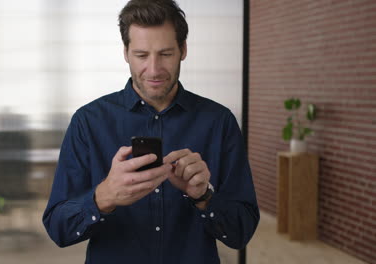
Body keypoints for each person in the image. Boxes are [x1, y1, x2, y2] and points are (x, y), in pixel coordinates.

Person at [42, 0, 259, 263]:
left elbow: (241, 232)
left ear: (183, 50)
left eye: (166, 54)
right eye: (142, 55)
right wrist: (105, 195)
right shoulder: (88, 122)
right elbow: (58, 229)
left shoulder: (219, 121)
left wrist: (204, 196)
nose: (154, 70)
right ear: (126, 53)